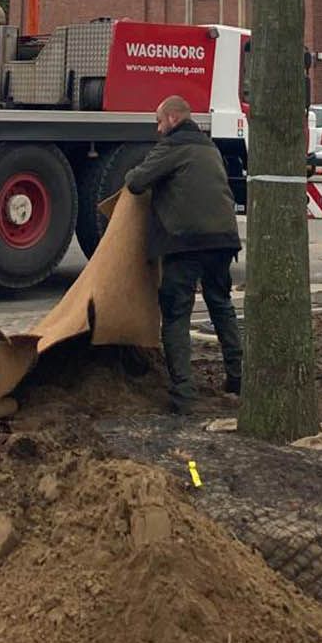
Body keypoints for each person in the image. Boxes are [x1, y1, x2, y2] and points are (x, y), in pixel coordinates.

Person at [125, 94, 243, 415]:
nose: (158, 129)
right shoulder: (210, 147)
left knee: (177, 314)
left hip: (186, 242)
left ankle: (183, 394)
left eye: (159, 122)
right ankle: (238, 377)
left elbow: (136, 182)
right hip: (223, 240)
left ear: (173, 119)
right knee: (221, 305)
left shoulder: (172, 147)